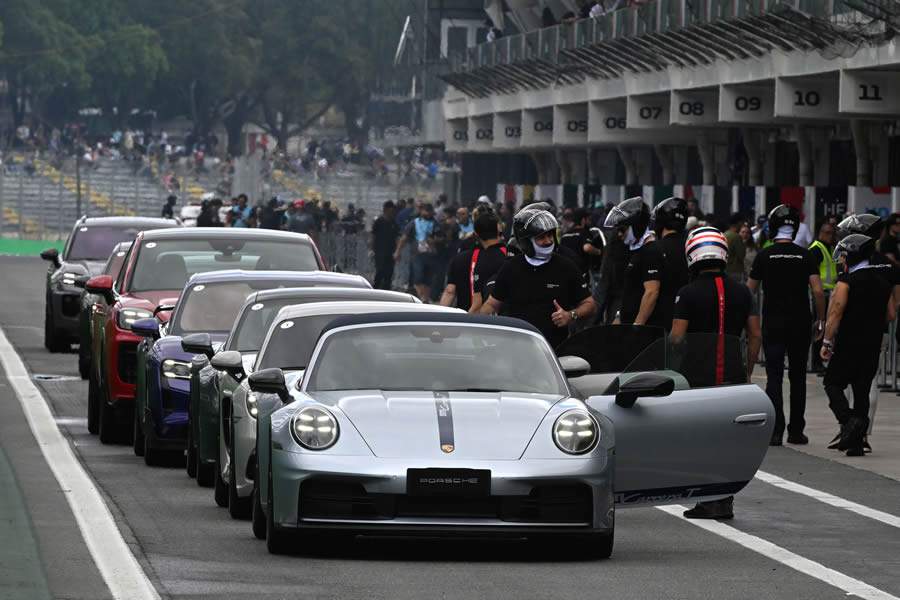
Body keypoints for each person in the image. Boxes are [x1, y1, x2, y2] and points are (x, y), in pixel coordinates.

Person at [671, 226, 762, 519]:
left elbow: (676, 338)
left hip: (698, 374)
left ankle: (708, 499)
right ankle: (725, 499)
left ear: (692, 255)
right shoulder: (742, 292)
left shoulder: (687, 293)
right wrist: (747, 369)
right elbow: (756, 335)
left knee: (701, 438)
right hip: (733, 373)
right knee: (727, 438)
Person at [747, 204, 826, 446]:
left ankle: (775, 430)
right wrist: (820, 320)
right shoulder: (806, 255)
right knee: (799, 377)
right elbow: (818, 290)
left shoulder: (764, 256)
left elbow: (750, 291)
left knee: (774, 376)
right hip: (800, 323)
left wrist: (749, 323)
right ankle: (796, 430)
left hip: (773, 324)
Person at [821, 234, 895, 456]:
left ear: (852, 256)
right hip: (871, 343)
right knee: (862, 390)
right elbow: (891, 314)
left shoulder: (847, 281)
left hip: (848, 342)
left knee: (832, 383)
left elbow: (836, 312)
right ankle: (856, 445)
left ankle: (849, 422)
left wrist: (826, 340)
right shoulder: (883, 281)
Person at [480, 209, 596, 348]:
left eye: (550, 235)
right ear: (526, 241)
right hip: (517, 348)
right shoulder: (511, 267)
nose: (548, 241)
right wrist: (482, 332)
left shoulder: (566, 266)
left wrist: (570, 315)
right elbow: (492, 304)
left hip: (555, 350)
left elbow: (590, 304)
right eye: (541, 237)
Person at [604, 197, 665, 328]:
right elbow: (631, 291)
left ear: (636, 226)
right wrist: (620, 316)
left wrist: (638, 325)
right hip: (627, 322)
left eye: (622, 229)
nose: (619, 234)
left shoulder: (651, 251)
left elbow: (651, 292)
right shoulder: (637, 250)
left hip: (641, 329)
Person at [652, 197, 690, 330]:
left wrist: (637, 324)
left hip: (659, 322)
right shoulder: (691, 248)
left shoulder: (654, 248)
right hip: (687, 320)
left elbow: (651, 292)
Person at [394, 203, 440, 302]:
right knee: (418, 277)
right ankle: (422, 297)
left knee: (428, 278)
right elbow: (404, 238)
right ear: (421, 211)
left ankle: (426, 298)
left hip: (431, 255)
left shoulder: (435, 223)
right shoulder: (414, 223)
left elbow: (442, 237)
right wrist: (398, 251)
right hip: (417, 254)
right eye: (425, 210)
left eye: (429, 211)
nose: (427, 213)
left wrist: (435, 241)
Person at [809, 221, 838, 372]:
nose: (832, 237)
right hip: (820, 295)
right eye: (830, 234)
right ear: (822, 233)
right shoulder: (816, 249)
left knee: (826, 328)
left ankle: (821, 360)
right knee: (819, 327)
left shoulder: (829, 248)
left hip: (829, 294)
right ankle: (815, 362)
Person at [371, 201, 399, 290]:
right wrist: (371, 249)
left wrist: (397, 251)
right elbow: (373, 235)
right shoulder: (379, 221)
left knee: (389, 272)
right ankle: (375, 288)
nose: (392, 212)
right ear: (386, 210)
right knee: (380, 271)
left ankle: (387, 289)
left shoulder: (394, 223)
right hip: (379, 251)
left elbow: (397, 237)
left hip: (391, 251)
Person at [724, 213, 746, 281]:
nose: (743, 225)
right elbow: (741, 255)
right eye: (742, 223)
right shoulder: (736, 237)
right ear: (739, 222)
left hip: (725, 269)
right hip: (735, 272)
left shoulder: (724, 234)